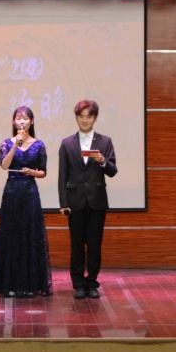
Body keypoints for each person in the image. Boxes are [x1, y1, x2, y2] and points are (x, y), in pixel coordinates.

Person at [57, 98, 117, 299]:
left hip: (97, 201)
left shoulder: (105, 142)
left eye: (89, 117)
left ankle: (92, 282)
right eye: (81, 116)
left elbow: (113, 171)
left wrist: (103, 161)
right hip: (75, 202)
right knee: (76, 246)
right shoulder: (67, 143)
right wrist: (63, 203)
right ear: (76, 118)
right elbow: (62, 176)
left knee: (94, 245)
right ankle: (78, 284)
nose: (84, 120)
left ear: (95, 118)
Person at [0, 105, 51, 297]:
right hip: (12, 192)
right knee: (11, 235)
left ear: (32, 122)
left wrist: (32, 172)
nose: (22, 121)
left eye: (25, 118)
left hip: (30, 192)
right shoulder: (7, 143)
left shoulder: (39, 145)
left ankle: (31, 284)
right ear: (14, 122)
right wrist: (16, 144)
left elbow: (43, 172)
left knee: (30, 235)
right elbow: (4, 165)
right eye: (18, 118)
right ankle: (10, 283)